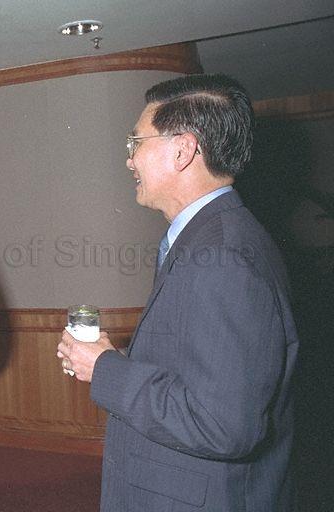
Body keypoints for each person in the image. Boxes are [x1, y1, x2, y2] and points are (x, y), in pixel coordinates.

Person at [57, 74, 298, 511]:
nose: (129, 159)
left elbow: (225, 425)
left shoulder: (224, 256)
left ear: (183, 150)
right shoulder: (210, 238)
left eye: (136, 143)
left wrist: (107, 368)